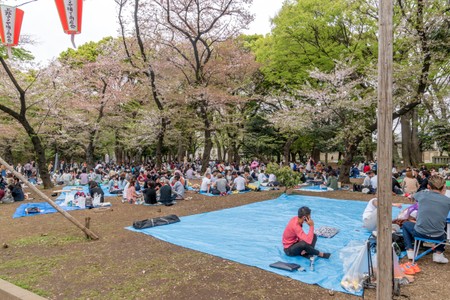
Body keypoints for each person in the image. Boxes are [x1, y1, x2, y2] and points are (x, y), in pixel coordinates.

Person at [402, 175, 450, 263]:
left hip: (419, 233)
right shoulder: (447, 200)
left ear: (428, 186)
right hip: (438, 235)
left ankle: (410, 250)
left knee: (405, 225)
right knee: (445, 225)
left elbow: (411, 197)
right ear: (443, 187)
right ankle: (438, 253)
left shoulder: (421, 194)